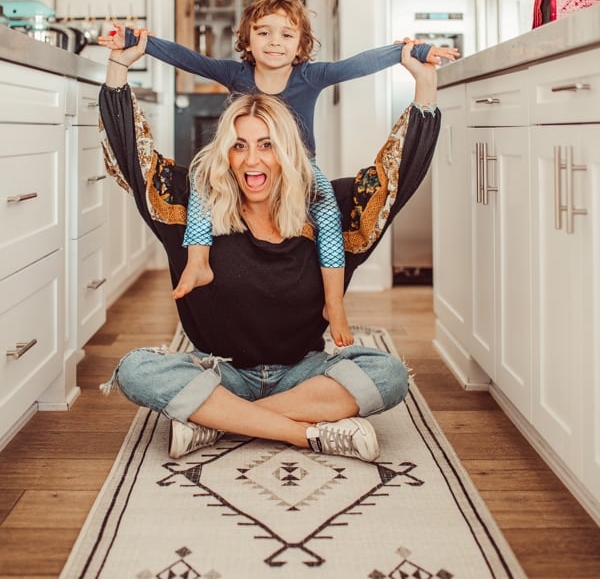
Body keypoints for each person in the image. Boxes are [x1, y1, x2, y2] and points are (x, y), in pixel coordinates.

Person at [99, 33, 441, 464]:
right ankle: (305, 433)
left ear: (289, 152)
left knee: (389, 374)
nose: (252, 160)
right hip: (220, 371)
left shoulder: (327, 209)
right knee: (137, 370)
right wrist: (118, 68)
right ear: (225, 154)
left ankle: (217, 421)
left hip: (304, 374)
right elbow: (134, 155)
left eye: (267, 146)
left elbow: (396, 174)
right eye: (239, 146)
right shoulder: (188, 207)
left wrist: (424, 84)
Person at [100, 0, 458, 347]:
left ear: (301, 43)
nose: (275, 42)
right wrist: (136, 43)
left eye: (286, 34)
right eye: (264, 32)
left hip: (302, 170)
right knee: (199, 178)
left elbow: (355, 65)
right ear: (247, 40)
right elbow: (187, 58)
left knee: (329, 212)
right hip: (236, 167)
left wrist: (408, 53)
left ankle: (333, 303)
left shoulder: (311, 76)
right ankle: (198, 260)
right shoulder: (234, 72)